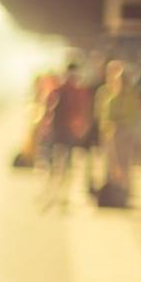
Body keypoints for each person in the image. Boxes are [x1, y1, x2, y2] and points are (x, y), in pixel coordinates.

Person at [36, 59, 88, 209]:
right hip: (63, 130)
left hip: (61, 130)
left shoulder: (62, 90)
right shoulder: (74, 91)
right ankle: (59, 194)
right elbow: (82, 112)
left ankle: (55, 193)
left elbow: (48, 109)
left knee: (59, 163)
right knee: (63, 163)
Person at [95, 61, 141, 206]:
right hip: (113, 134)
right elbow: (102, 117)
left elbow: (134, 115)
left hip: (121, 134)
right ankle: (114, 196)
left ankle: (122, 196)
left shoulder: (125, 96)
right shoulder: (106, 93)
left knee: (122, 165)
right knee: (114, 165)